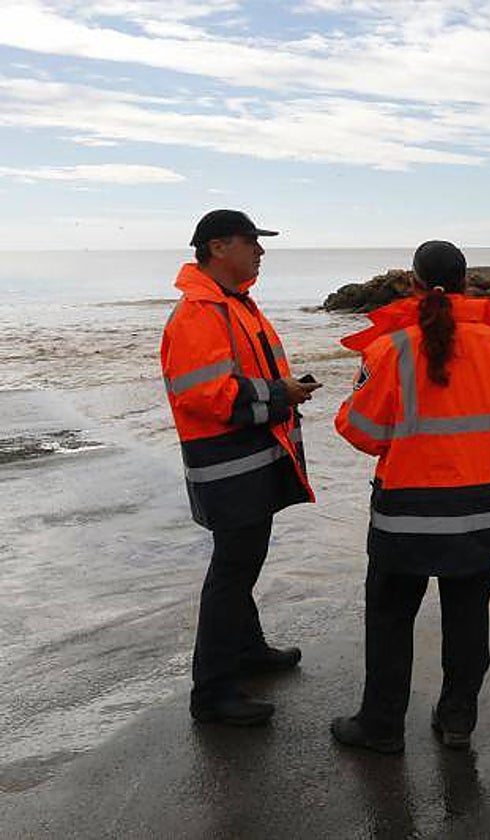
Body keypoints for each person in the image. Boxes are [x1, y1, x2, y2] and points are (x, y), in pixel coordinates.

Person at [331, 240, 490, 755]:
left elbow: (361, 430)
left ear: (414, 285)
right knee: (468, 617)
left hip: (412, 512)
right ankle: (458, 720)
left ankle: (381, 727)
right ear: (467, 283)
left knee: (390, 618)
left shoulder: (393, 347)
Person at [160, 209, 321, 726]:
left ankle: (248, 650)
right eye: (251, 240)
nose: (260, 250)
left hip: (248, 461)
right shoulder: (200, 313)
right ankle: (212, 692)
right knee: (232, 571)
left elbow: (237, 381)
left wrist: (281, 391)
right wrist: (282, 394)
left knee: (242, 562)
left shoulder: (232, 305)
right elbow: (206, 394)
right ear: (217, 248)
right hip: (227, 466)